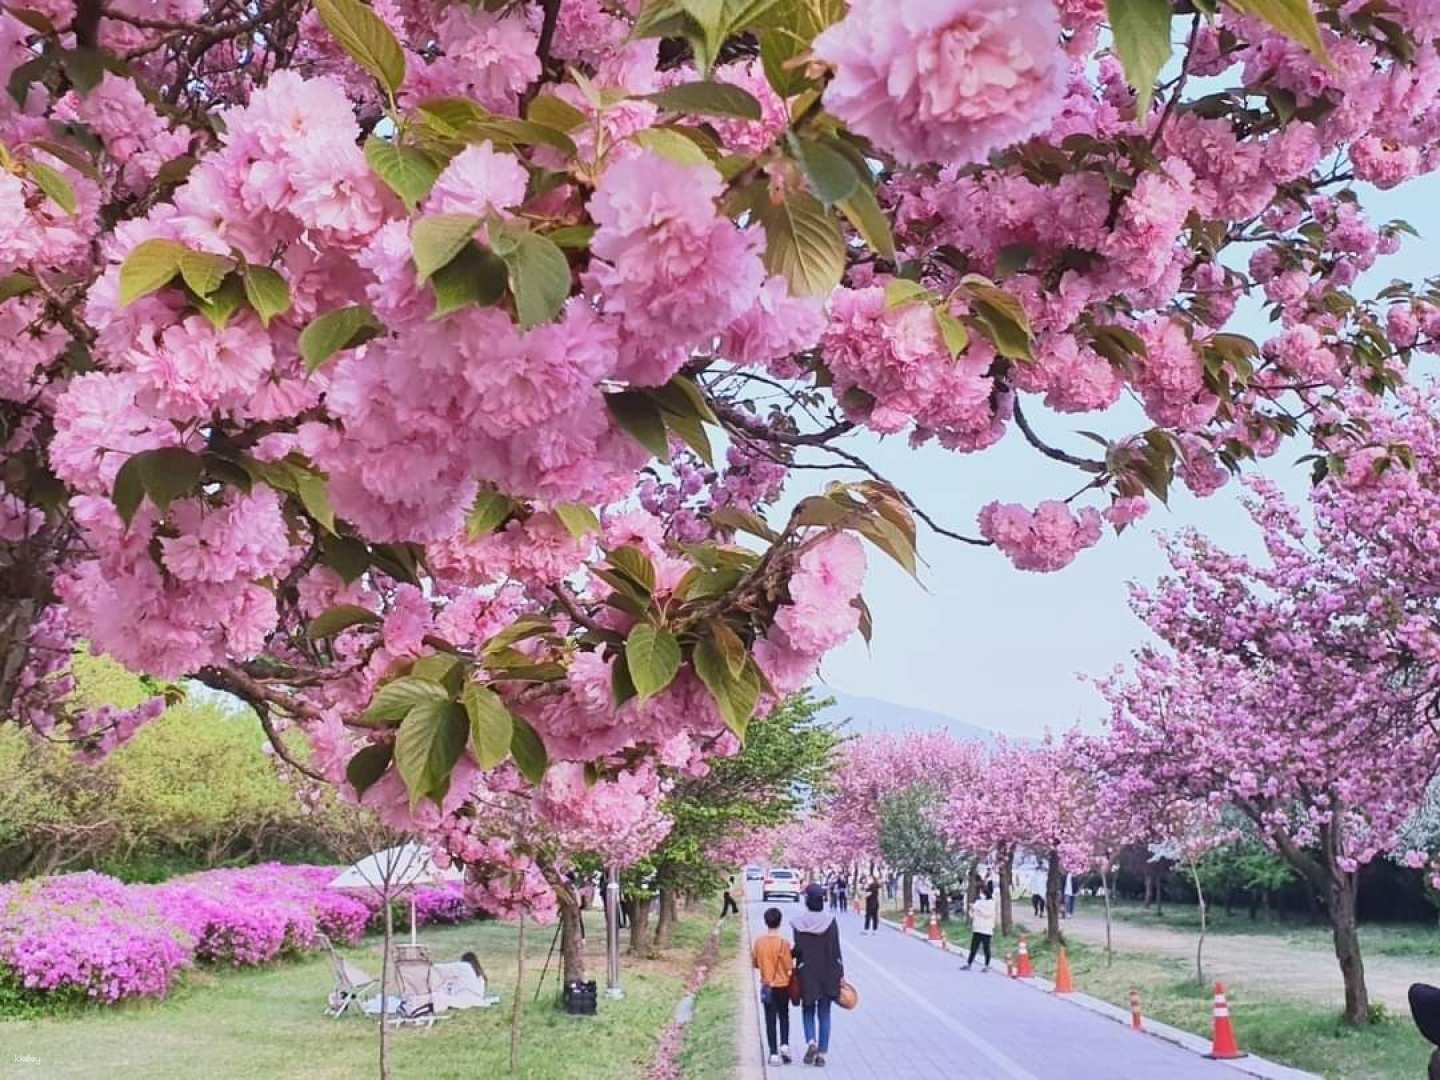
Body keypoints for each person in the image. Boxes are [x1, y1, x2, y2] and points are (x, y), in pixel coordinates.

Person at [793, 883, 843, 1067]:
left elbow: (798, 950)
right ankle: (821, 1054)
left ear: (807, 900)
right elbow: (836, 950)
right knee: (824, 1012)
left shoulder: (799, 922)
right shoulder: (830, 921)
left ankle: (811, 1042)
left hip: (807, 972)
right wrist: (841, 974)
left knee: (807, 1009)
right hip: (828, 971)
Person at [752, 907, 795, 1066]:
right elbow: (789, 965)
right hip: (782, 985)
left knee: (770, 1019)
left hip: (767, 986)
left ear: (766, 922)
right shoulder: (784, 943)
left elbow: (755, 963)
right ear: (780, 921)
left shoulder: (759, 942)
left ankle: (773, 1054)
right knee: (784, 1015)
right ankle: (784, 1045)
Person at [963, 881, 996, 972]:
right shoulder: (978, 902)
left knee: (986, 947)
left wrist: (977, 909)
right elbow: (972, 915)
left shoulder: (991, 903)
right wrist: (971, 910)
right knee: (973, 947)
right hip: (977, 928)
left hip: (986, 929)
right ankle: (969, 963)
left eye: (981, 892)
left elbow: (988, 914)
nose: (980, 894)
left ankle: (987, 965)